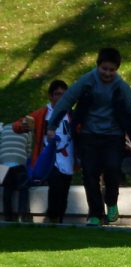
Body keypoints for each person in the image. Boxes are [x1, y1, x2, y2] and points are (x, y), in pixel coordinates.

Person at [47, 47, 131, 226]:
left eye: (112, 70)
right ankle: (95, 213)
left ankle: (111, 201)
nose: (107, 73)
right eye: (104, 69)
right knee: (90, 173)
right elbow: (67, 100)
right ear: (98, 65)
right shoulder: (87, 81)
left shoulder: (121, 86)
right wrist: (52, 125)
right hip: (89, 134)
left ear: (117, 69)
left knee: (112, 169)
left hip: (113, 135)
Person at [11, 79, 75, 223]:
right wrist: (24, 125)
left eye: (64, 94)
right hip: (49, 158)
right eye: (58, 94)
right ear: (50, 96)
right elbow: (16, 126)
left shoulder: (71, 114)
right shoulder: (42, 113)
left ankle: (58, 221)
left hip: (68, 159)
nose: (61, 97)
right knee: (55, 187)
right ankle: (52, 217)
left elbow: (80, 130)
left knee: (64, 192)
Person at [0, 123, 32, 222]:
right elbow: (28, 151)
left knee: (7, 190)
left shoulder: (4, 129)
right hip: (19, 161)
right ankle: (22, 216)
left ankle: (8, 217)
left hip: (3, 161)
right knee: (23, 188)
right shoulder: (27, 130)